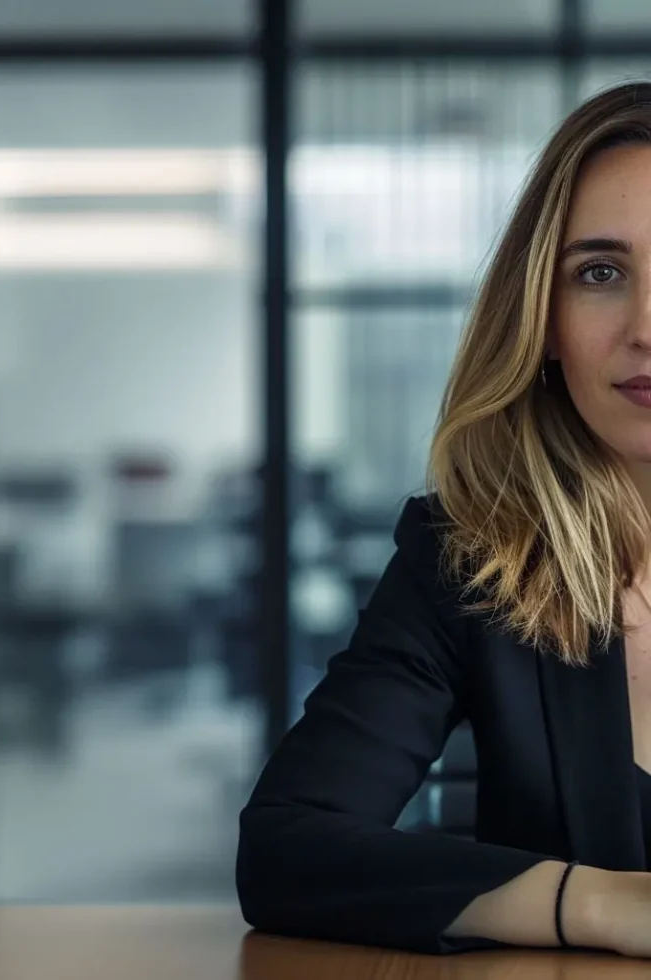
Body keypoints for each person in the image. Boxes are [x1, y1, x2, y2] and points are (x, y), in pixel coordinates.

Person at [236, 80, 651, 960]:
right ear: (542, 318)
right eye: (602, 274)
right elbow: (286, 848)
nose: (647, 326)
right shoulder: (469, 560)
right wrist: (604, 904)